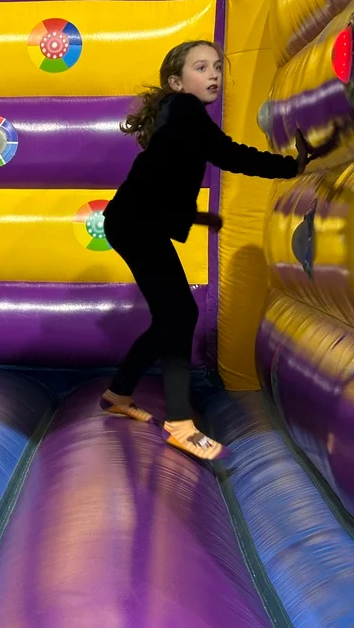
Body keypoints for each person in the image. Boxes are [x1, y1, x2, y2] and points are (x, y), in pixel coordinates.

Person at [99, 39, 339, 461]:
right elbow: (227, 154)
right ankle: (179, 423)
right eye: (201, 68)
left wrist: (195, 217)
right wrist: (292, 166)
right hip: (135, 224)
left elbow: (159, 176)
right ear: (176, 82)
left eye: (216, 67)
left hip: (133, 221)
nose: (213, 75)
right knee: (178, 315)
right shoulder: (185, 109)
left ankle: (118, 393)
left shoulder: (179, 115)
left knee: (171, 316)